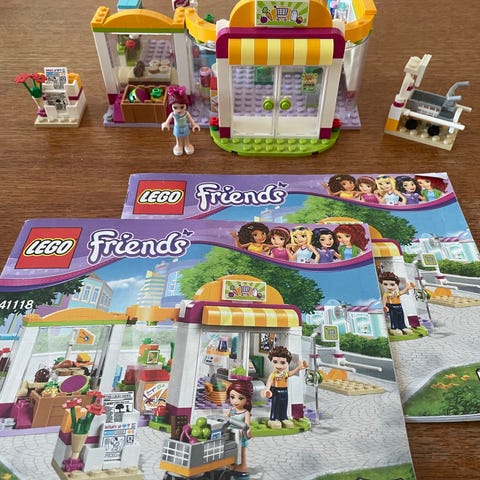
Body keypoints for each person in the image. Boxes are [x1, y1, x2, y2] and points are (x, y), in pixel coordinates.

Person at [261, 346, 306, 429]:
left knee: (284, 405)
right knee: (275, 405)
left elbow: (292, 372)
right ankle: (273, 419)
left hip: (285, 391)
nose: (278, 365)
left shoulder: (285, 373)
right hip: (276, 391)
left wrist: (299, 368)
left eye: (282, 363)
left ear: (287, 363)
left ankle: (284, 418)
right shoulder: (273, 374)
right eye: (275, 362)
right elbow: (269, 383)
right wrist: (267, 389)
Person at [226, 380, 254, 479]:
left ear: (247, 399)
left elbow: (247, 425)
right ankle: (231, 465)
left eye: (240, 398)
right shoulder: (231, 410)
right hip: (230, 435)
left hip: (240, 436)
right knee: (230, 451)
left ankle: (242, 467)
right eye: (232, 397)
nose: (235, 401)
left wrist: (245, 432)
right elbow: (225, 420)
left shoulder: (245, 413)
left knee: (242, 453)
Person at [161, 85, 200, 156]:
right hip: (177, 128)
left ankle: (187, 145)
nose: (179, 110)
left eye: (182, 107)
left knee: (186, 137)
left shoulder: (186, 113)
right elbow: (168, 120)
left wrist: (194, 125)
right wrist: (166, 124)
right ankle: (179, 146)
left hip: (185, 127)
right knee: (178, 138)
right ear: (171, 106)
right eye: (175, 107)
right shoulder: (173, 114)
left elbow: (191, 120)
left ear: (186, 105)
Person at [378, 271, 414, 335]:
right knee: (394, 318)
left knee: (401, 317)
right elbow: (384, 301)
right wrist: (384, 306)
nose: (389, 287)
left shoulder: (396, 293)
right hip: (392, 307)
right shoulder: (386, 294)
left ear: (397, 284)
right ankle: (394, 328)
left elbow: (402, 292)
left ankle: (403, 327)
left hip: (399, 306)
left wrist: (407, 288)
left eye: (392, 284)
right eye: (385, 284)